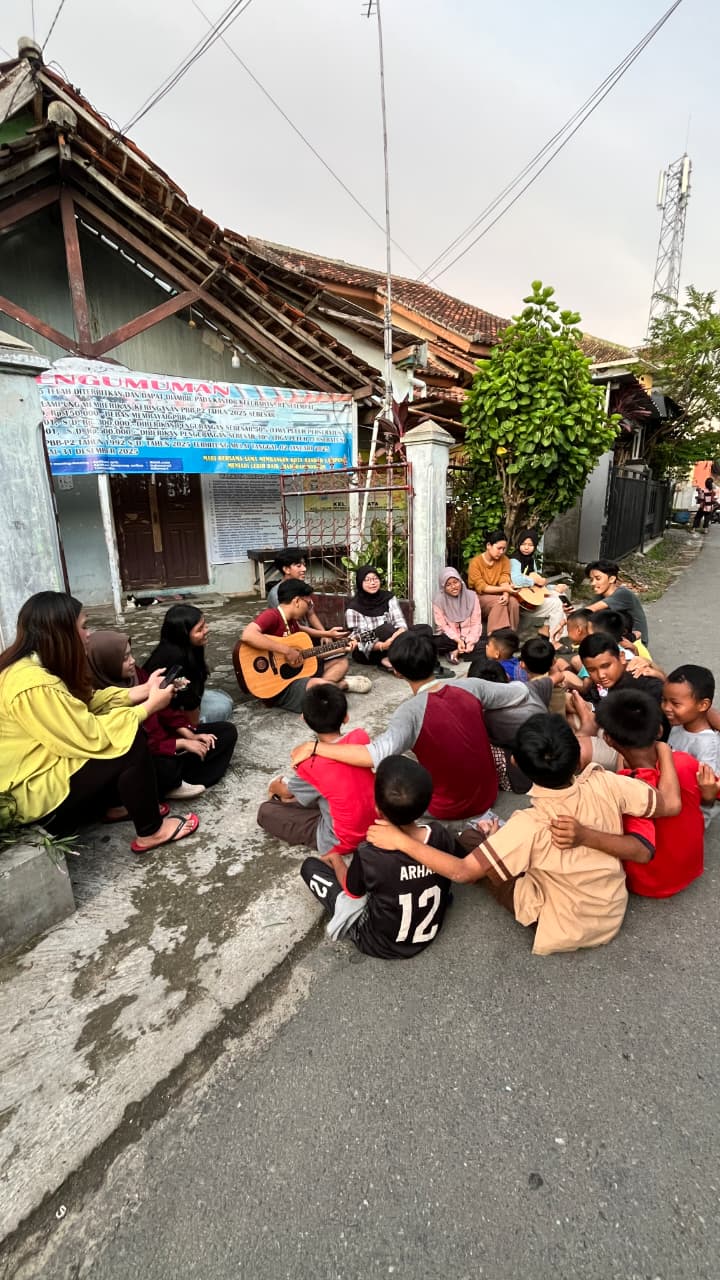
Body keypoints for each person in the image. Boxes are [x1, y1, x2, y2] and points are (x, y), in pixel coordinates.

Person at [366, 714, 675, 957]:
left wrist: (400, 841)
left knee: (471, 841)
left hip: (564, 923)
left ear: (518, 765)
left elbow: (462, 872)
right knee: (499, 844)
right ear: (575, 752)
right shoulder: (606, 781)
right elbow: (670, 805)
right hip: (610, 910)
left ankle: (489, 849)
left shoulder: (527, 824)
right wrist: (666, 752)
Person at [0, 593, 199, 853]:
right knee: (127, 738)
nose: (89, 634)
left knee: (120, 729)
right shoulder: (33, 684)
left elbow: (86, 703)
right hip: (28, 793)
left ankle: (115, 806)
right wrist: (150, 706)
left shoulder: (34, 666)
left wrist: (142, 690)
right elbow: (90, 735)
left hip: (44, 764)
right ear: (61, 632)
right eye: (83, 626)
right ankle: (151, 831)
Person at [291, 629, 538, 821]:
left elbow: (374, 755)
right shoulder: (472, 687)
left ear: (397, 672)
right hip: (488, 794)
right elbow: (519, 691)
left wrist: (316, 747)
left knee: (388, 771)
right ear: (433, 659)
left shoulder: (409, 712)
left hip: (447, 808)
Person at [300, 756, 465, 959]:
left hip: (378, 943)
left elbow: (352, 893)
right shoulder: (440, 834)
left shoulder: (369, 854)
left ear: (377, 809)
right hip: (428, 932)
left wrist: (337, 861)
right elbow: (460, 862)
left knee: (309, 867)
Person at [552, 689, 704, 898]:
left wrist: (584, 836)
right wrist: (664, 750)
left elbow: (639, 850)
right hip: (691, 867)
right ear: (659, 731)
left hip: (650, 882)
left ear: (607, 739)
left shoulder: (623, 789)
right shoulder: (685, 762)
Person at [87, 631, 237, 802]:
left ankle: (173, 783)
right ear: (106, 662)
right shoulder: (100, 700)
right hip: (149, 754)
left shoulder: (136, 675)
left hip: (166, 739)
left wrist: (190, 733)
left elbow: (165, 711)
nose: (132, 661)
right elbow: (141, 742)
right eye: (124, 658)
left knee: (226, 732)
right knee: (161, 767)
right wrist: (180, 743)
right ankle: (169, 784)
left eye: (130, 654)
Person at [257, 684, 376, 885]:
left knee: (266, 810)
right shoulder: (360, 737)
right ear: (345, 717)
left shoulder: (311, 763)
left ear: (304, 718)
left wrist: (275, 786)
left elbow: (286, 792)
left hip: (340, 839)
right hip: (371, 824)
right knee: (314, 793)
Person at [240, 580, 368, 713]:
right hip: (279, 685)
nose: (309, 608)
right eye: (308, 603)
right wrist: (287, 650)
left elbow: (309, 654)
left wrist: (341, 648)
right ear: (296, 601)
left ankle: (323, 688)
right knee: (331, 699)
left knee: (341, 663)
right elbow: (247, 635)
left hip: (297, 676)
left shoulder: (292, 623)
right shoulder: (272, 615)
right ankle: (340, 685)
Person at [144, 604, 233, 726]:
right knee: (223, 707)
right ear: (183, 634)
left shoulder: (185, 647)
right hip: (167, 714)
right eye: (200, 629)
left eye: (204, 625)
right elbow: (189, 703)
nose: (207, 630)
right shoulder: (176, 661)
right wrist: (192, 731)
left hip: (182, 701)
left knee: (223, 698)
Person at [662, 665, 720, 825]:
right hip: (674, 791)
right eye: (664, 700)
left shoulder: (706, 744)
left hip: (692, 814)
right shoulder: (679, 724)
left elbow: (708, 792)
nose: (666, 708)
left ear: (703, 705)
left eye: (675, 703)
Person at [266, 549, 348, 643]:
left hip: (309, 634)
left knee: (342, 648)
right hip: (290, 640)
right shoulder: (276, 594)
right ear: (286, 569)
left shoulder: (302, 587)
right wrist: (326, 634)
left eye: (304, 565)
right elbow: (295, 627)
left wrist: (324, 634)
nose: (304, 569)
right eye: (299, 566)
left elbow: (311, 614)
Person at [509, 528, 569, 643]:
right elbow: (516, 579)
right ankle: (554, 640)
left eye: (530, 545)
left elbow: (538, 585)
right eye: (524, 544)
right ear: (519, 544)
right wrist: (533, 581)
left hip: (530, 596)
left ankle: (547, 630)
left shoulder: (531, 561)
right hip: (521, 601)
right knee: (557, 604)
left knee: (560, 594)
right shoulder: (515, 559)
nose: (526, 547)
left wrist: (553, 587)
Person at [344, 565, 408, 671]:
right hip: (368, 650)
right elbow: (361, 638)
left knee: (423, 629)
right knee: (386, 629)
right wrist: (382, 646)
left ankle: (391, 658)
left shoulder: (388, 598)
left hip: (393, 640)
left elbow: (400, 622)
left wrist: (394, 638)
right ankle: (390, 658)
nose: (372, 583)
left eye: (375, 579)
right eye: (367, 580)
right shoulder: (353, 607)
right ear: (360, 583)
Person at [578, 634, 664, 707]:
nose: (601, 675)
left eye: (606, 666)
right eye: (592, 670)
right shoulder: (614, 682)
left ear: (622, 657)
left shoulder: (644, 684)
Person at [583, 559, 649, 644]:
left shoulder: (623, 594)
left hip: (635, 641)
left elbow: (590, 609)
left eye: (598, 578)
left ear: (611, 579)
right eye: (591, 580)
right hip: (616, 637)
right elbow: (586, 613)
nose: (593, 583)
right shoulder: (599, 596)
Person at [467, 530, 521, 632]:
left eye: (504, 549)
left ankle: (511, 635)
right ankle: (494, 637)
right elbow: (482, 587)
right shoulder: (475, 563)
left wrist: (506, 594)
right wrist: (505, 589)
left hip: (499, 592)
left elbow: (504, 578)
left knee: (513, 602)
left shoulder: (504, 560)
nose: (501, 552)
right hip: (479, 597)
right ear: (488, 545)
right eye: (499, 548)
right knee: (499, 603)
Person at [432, 567, 482, 664]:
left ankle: (456, 652)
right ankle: (461, 651)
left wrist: (470, 641)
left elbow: (476, 623)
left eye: (455, 582)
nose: (453, 587)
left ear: (461, 581)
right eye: (448, 585)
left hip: (469, 636)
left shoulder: (472, 596)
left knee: (487, 644)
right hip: (451, 638)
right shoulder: (439, 601)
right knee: (433, 643)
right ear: (443, 587)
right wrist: (459, 641)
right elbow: (443, 626)